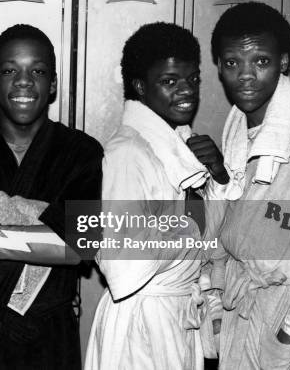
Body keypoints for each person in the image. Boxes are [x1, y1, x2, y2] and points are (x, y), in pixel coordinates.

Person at [0, 24, 103, 370]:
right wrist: (47, 241)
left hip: (51, 339)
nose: (24, 81)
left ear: (53, 84)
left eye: (38, 71)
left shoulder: (81, 152)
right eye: (9, 70)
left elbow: (80, 246)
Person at [84, 22, 229, 370]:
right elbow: (121, 259)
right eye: (169, 81)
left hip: (174, 317)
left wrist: (218, 177)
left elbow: (215, 241)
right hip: (141, 326)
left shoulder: (178, 146)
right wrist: (190, 224)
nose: (186, 91)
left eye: (192, 79)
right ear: (139, 86)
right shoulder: (129, 152)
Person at [210, 2, 290, 370]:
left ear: (284, 62)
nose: (246, 75)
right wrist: (216, 298)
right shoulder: (237, 127)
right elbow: (229, 222)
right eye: (232, 62)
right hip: (244, 305)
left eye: (260, 60)